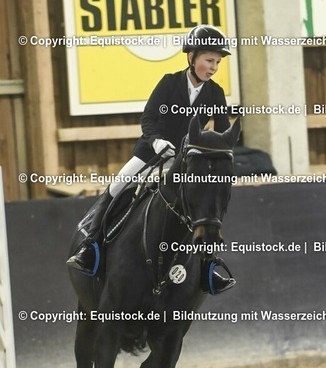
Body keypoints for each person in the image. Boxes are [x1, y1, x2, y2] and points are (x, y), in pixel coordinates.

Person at [67, 24, 236, 294]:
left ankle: (208, 266)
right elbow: (148, 119)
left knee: (206, 204)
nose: (213, 67)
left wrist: (218, 154)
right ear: (191, 57)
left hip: (186, 162)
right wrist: (157, 141)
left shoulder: (215, 93)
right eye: (209, 60)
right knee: (117, 186)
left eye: (217, 62)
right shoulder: (169, 83)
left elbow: (222, 132)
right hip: (151, 154)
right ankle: (90, 246)